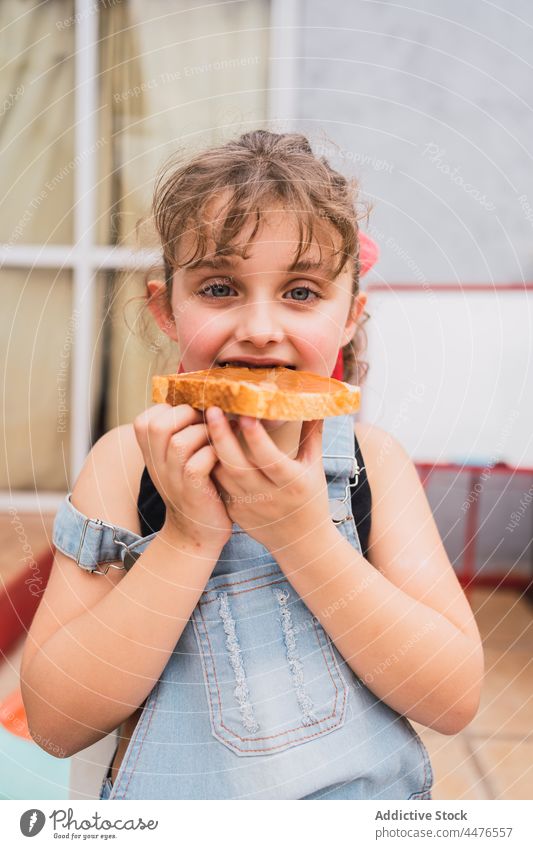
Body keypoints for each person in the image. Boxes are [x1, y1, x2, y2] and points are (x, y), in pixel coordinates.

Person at [20, 130, 484, 801]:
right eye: (218, 287)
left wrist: (304, 537)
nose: (261, 326)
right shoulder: (127, 465)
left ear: (349, 315)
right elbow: (57, 722)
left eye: (300, 291)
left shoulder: (370, 465)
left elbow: (453, 696)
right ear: (165, 308)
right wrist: (185, 537)